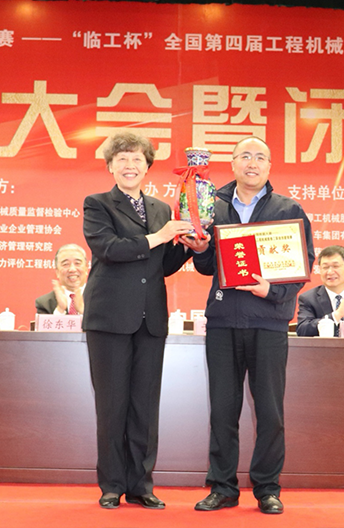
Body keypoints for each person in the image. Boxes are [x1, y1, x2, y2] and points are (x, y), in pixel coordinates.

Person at [82, 132, 208, 510]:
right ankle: (111, 485)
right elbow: (108, 249)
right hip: (109, 318)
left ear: (147, 166)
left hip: (150, 319)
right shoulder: (97, 204)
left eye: (137, 159)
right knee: (112, 405)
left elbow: (162, 265)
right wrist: (159, 237)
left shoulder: (161, 209)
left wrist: (191, 247)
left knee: (144, 406)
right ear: (110, 166)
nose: (130, 165)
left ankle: (141, 484)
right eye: (121, 159)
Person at [192, 136, 314, 515]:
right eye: (245, 155)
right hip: (223, 321)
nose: (252, 163)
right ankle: (223, 487)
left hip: (269, 323)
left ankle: (267, 489)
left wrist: (271, 291)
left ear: (269, 166)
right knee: (222, 410)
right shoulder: (213, 205)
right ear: (232, 163)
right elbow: (207, 266)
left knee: (270, 412)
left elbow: (303, 264)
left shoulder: (287, 209)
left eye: (260, 157)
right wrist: (200, 249)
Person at [35, 244, 89, 315]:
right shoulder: (45, 303)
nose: (72, 269)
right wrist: (60, 310)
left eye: (77, 263)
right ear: (57, 272)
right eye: (66, 264)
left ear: (86, 269)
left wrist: (83, 312)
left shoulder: (100, 298)